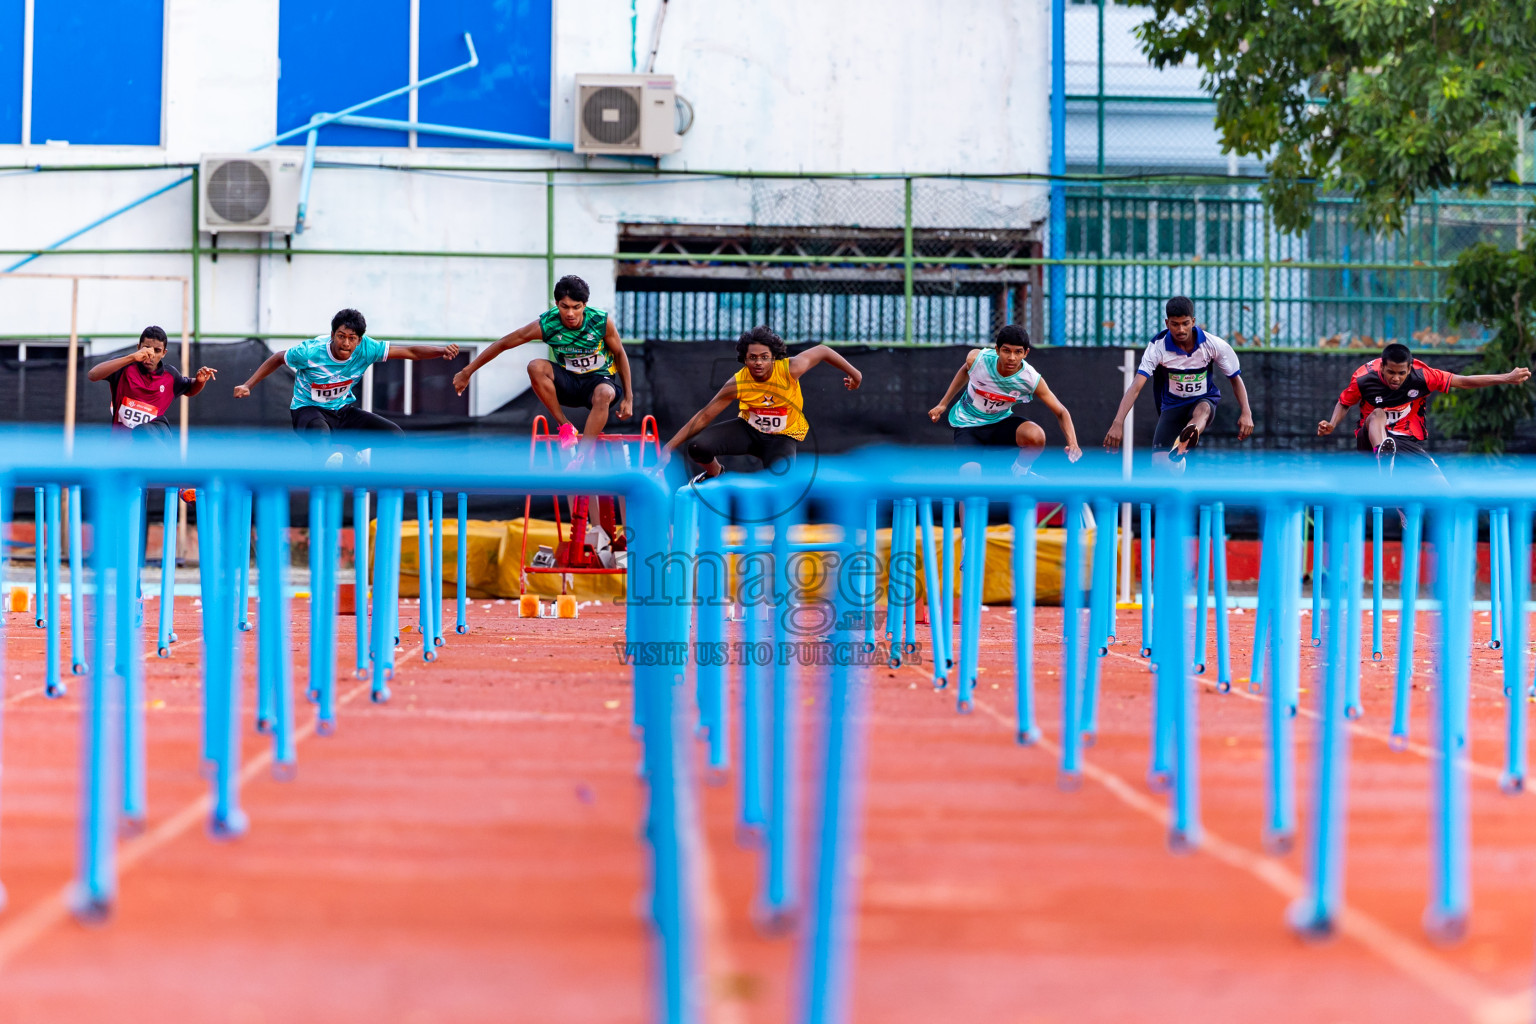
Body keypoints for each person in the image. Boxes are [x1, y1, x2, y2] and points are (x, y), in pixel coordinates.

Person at [452, 275, 633, 462]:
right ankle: (565, 426)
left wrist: (629, 397)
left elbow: (620, 353)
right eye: (564, 307)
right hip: (569, 383)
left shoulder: (600, 322)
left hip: (599, 382)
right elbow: (504, 343)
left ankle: (582, 458)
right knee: (535, 366)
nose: (570, 314)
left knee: (603, 392)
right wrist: (467, 371)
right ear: (556, 304)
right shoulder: (547, 324)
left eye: (576, 307)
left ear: (584, 305)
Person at [233, 308, 459, 448]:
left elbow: (410, 352)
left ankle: (374, 479)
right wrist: (248, 384)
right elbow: (278, 358)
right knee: (322, 436)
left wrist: (441, 351)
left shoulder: (368, 348)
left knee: (394, 436)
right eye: (341, 336)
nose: (346, 343)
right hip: (307, 410)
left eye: (352, 338)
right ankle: (325, 478)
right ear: (332, 335)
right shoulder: (310, 351)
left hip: (342, 411)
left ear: (359, 340)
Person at [661, 325, 861, 477]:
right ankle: (715, 474)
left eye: (764, 357)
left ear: (774, 357)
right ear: (744, 359)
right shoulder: (738, 382)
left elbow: (823, 350)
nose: (758, 363)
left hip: (783, 437)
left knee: (782, 482)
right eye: (753, 357)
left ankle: (780, 532)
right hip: (749, 431)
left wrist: (855, 374)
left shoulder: (790, 369)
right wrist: (669, 447)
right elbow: (705, 415)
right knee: (698, 447)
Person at [1316, 342, 1530, 471]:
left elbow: (1463, 381)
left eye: (1402, 373)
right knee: (1378, 413)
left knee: (1441, 488)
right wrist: (1332, 424)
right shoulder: (1363, 378)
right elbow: (1344, 403)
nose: (1396, 379)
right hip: (1369, 438)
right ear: (1382, 366)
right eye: (1391, 372)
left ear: (1410, 368)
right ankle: (1382, 457)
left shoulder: (1423, 376)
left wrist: (1506, 378)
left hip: (1403, 438)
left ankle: (1399, 495)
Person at [1103, 295, 1254, 465]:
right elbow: (1136, 387)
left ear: (1193, 321)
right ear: (1167, 323)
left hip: (1203, 400)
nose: (1181, 330)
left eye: (1185, 323)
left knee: (1203, 410)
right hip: (1172, 406)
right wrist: (1117, 422)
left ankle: (1189, 436)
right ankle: (1178, 459)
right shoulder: (1157, 348)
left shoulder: (1214, 345)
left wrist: (1246, 412)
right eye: (1175, 324)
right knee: (1159, 467)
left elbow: (1235, 379)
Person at [928, 324, 1082, 472]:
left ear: (1025, 353)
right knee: (970, 477)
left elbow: (1061, 412)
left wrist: (1073, 444)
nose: (1012, 358)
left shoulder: (1030, 378)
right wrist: (943, 404)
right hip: (968, 425)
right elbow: (966, 370)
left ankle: (1020, 473)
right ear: (997, 350)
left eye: (1018, 352)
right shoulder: (977, 359)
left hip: (999, 423)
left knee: (1036, 436)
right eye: (1006, 351)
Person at [87, 325, 216, 444]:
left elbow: (190, 389)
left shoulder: (170, 376)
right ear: (138, 347)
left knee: (147, 430)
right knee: (140, 432)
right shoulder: (123, 367)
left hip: (153, 447)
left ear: (164, 353)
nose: (150, 355)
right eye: (146, 349)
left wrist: (200, 381)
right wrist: (131, 357)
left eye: (157, 350)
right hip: (121, 449)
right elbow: (93, 375)